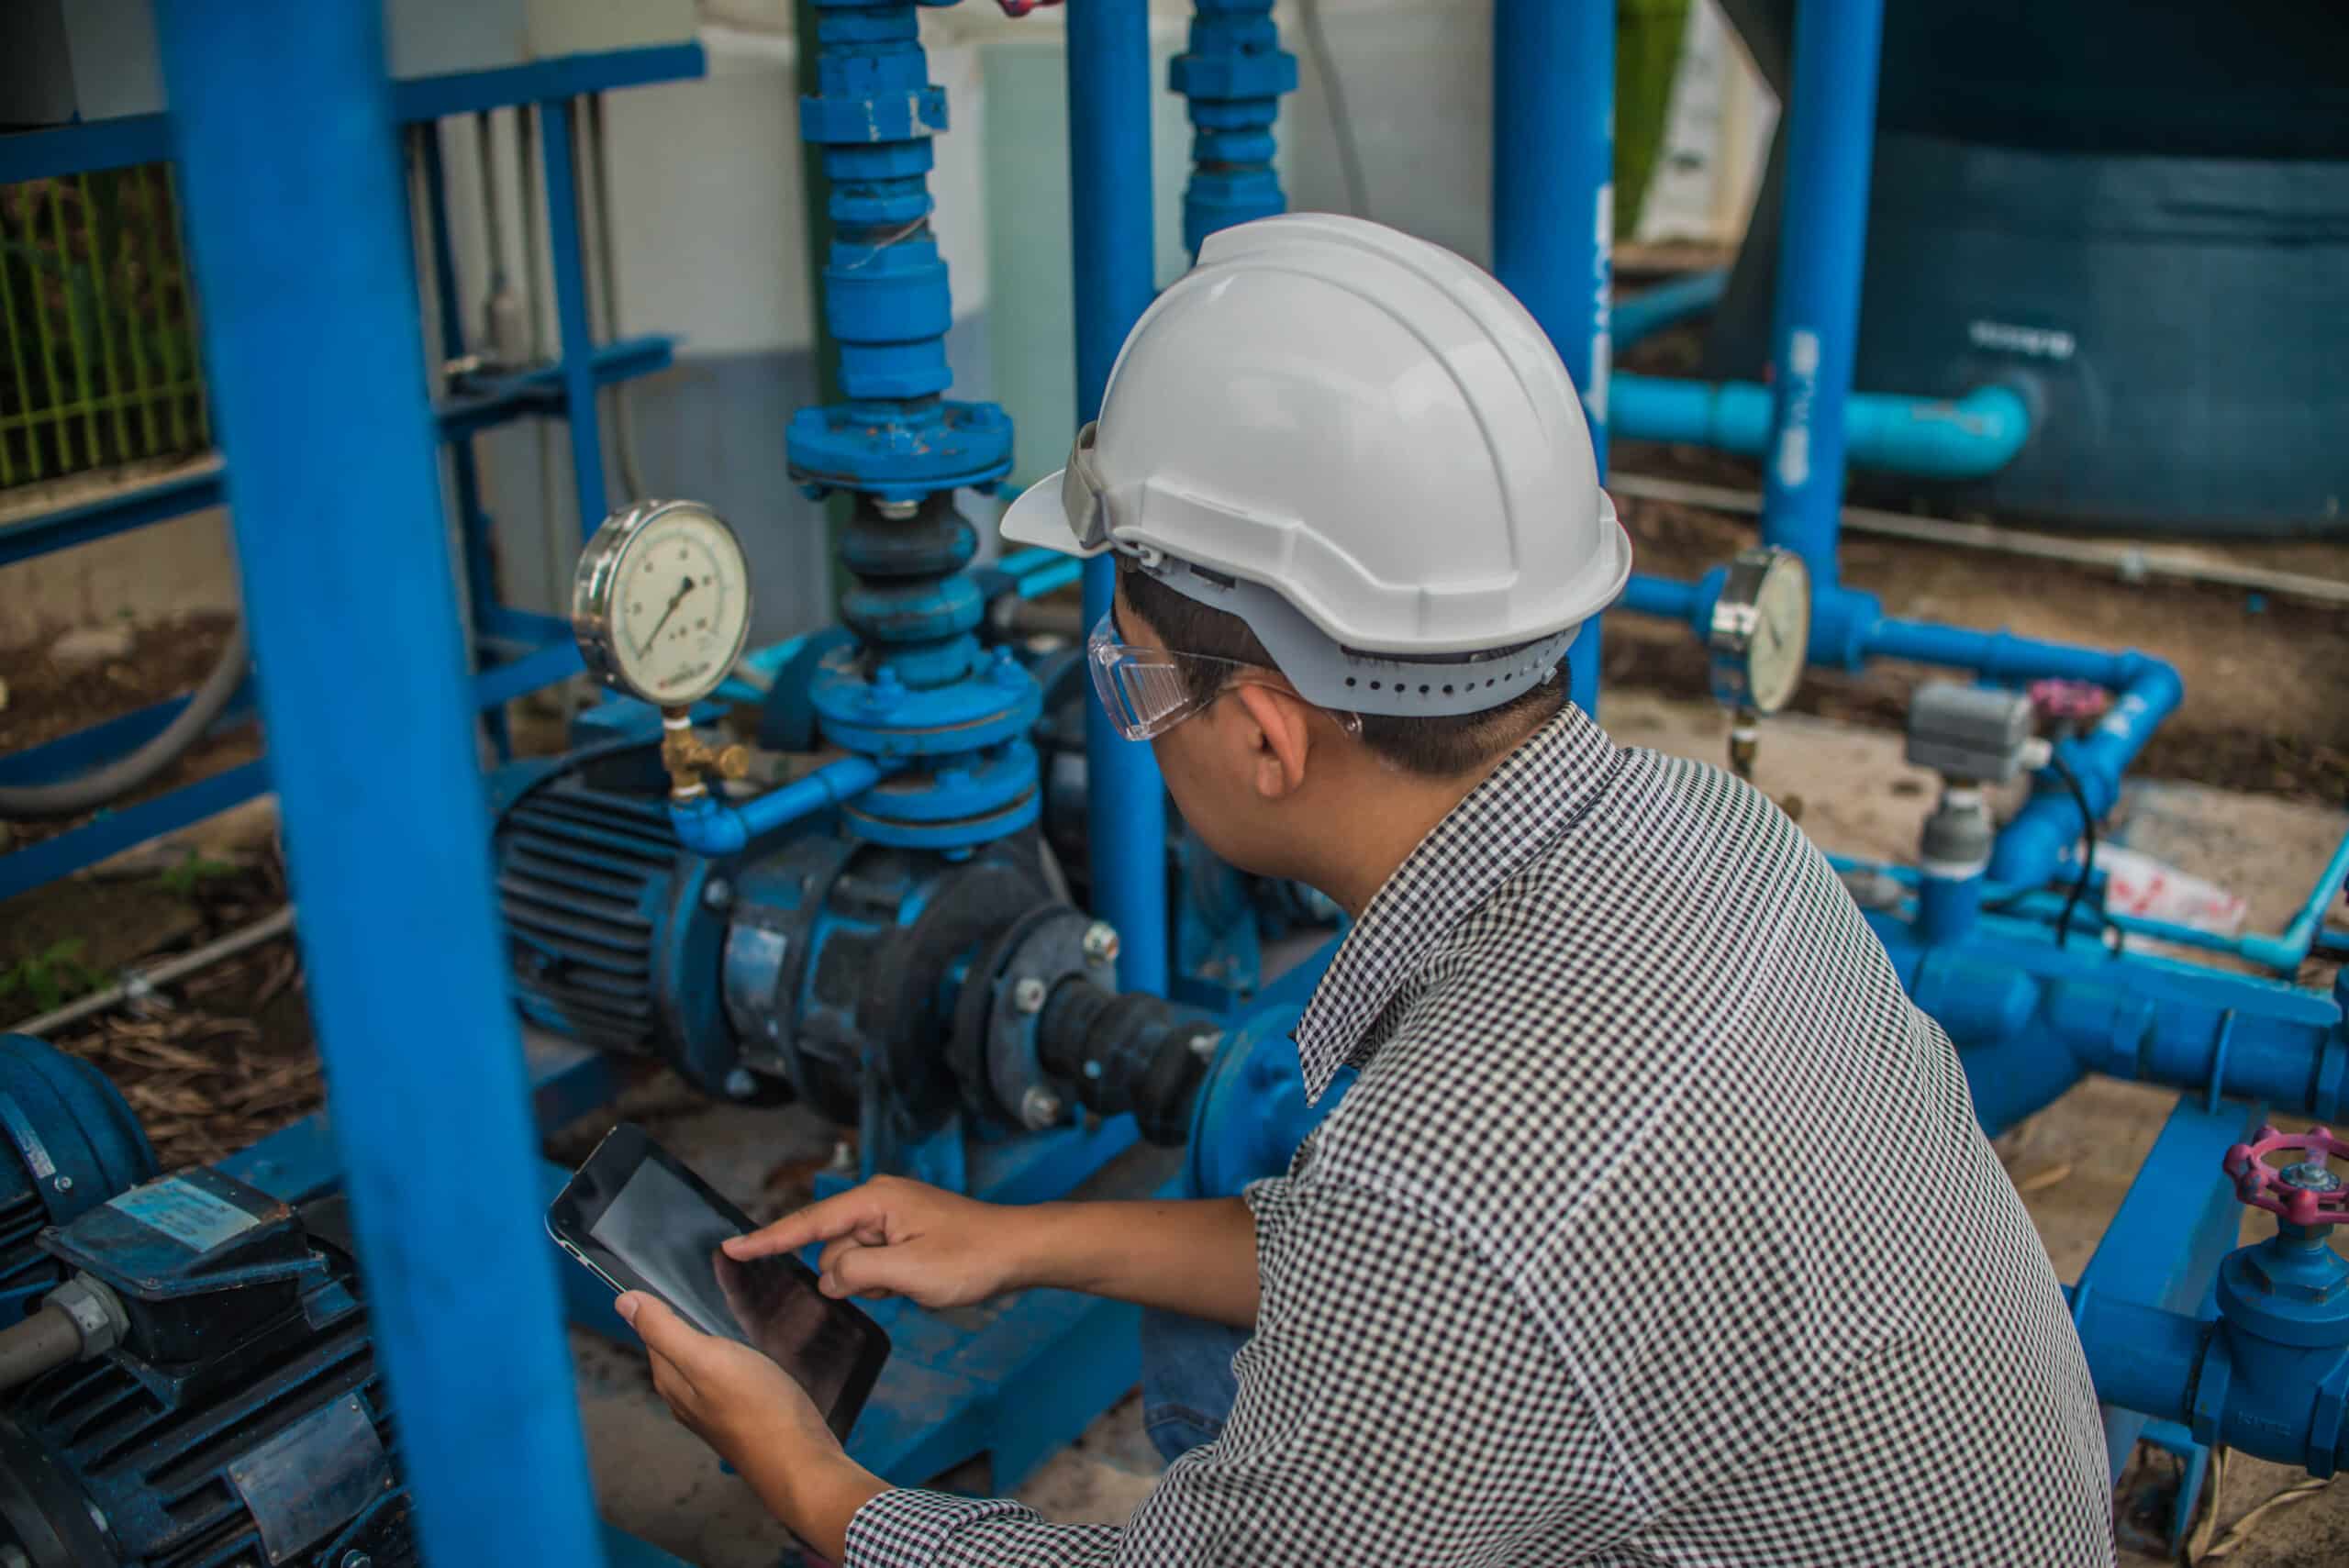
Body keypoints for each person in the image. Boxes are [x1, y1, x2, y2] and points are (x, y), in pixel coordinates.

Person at [617, 214, 2117, 1566]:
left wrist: (818, 1485)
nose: (1127, 714)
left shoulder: (1449, 1174)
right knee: (1203, 1354)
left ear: (1268, 738)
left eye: (1131, 674)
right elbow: (1405, 1271)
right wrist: (1021, 1238)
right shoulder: (1716, 829)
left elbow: (1440, 1251)